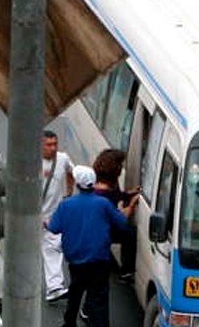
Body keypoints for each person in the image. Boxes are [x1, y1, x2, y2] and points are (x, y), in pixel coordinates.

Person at [48, 166, 136, 327]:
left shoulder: (66, 205)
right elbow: (122, 223)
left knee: (75, 292)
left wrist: (46, 221)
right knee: (99, 298)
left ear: (77, 183)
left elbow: (54, 227)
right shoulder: (103, 204)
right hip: (99, 259)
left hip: (76, 261)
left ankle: (69, 322)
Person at [93, 148, 139, 281]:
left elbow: (117, 195)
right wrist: (131, 205)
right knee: (130, 234)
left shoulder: (110, 183)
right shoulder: (102, 194)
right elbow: (121, 220)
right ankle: (126, 271)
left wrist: (129, 194)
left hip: (105, 224)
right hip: (103, 229)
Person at [41, 130, 75, 302]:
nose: (53, 148)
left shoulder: (63, 159)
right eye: (49, 145)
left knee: (52, 247)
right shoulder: (31, 162)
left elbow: (72, 172)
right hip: (30, 215)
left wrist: (69, 192)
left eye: (55, 144)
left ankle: (54, 287)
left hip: (52, 215)